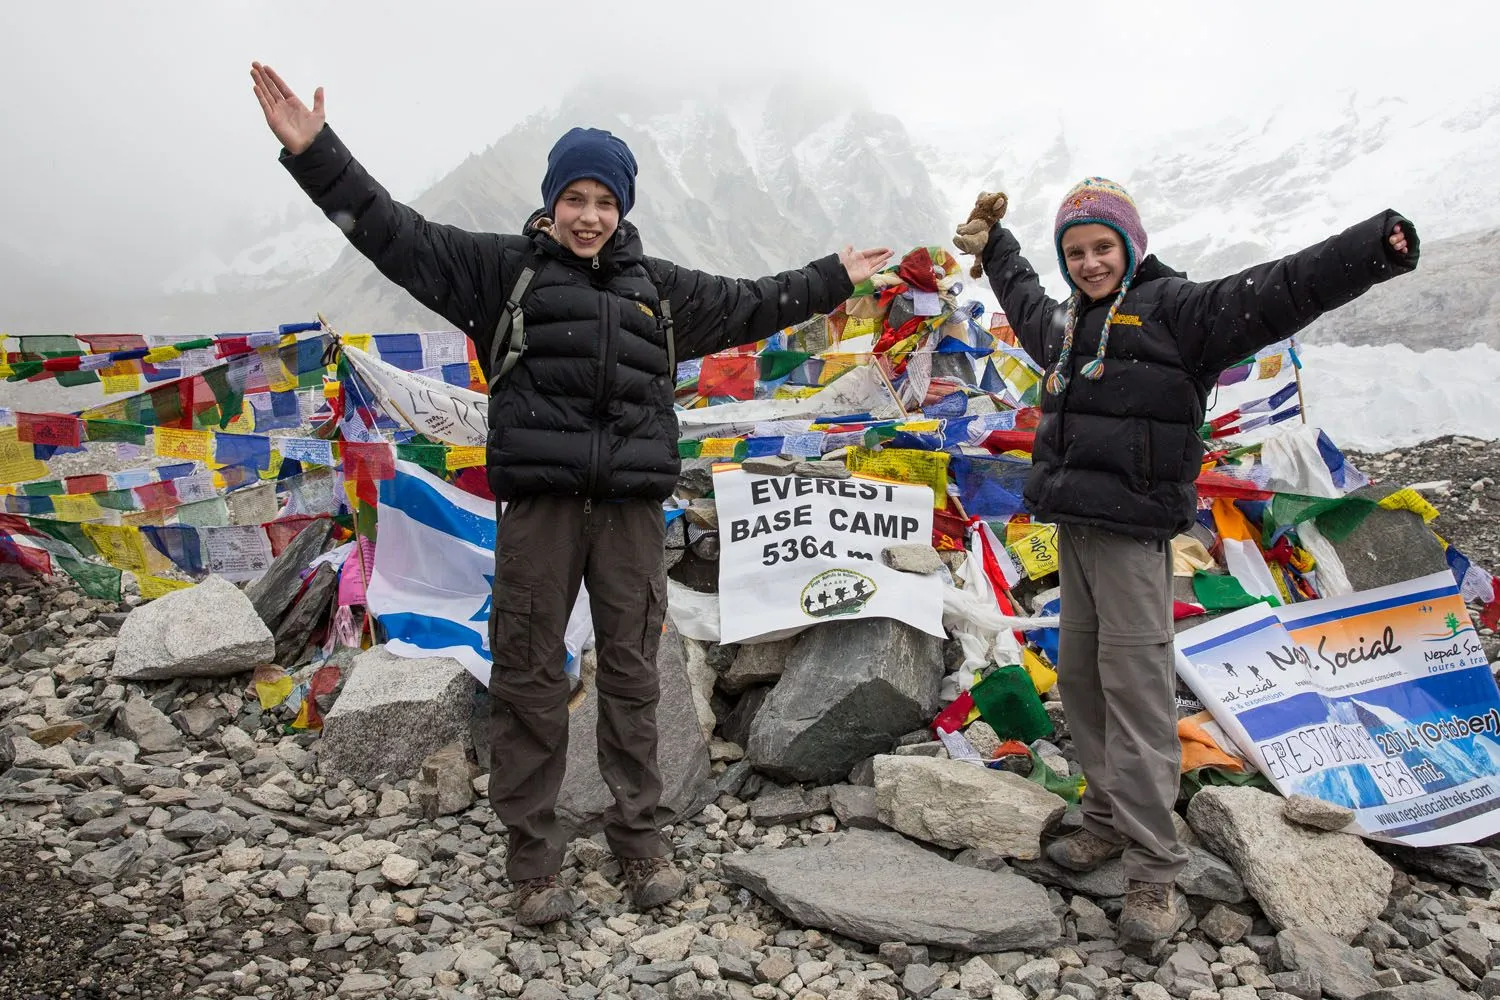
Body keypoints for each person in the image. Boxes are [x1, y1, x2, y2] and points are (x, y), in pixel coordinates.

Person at [250, 62, 891, 925]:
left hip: (629, 517)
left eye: (604, 201)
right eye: (574, 198)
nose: (589, 216)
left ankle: (640, 842)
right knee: (526, 674)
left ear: (623, 208)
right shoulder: (498, 274)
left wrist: (832, 276)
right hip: (542, 512)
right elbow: (394, 236)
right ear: (551, 202)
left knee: (632, 677)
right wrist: (317, 153)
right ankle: (534, 860)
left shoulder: (661, 290)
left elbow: (752, 305)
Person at [954, 177, 1417, 941]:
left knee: (1135, 694)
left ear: (1131, 244)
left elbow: (1281, 288)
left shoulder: (1183, 313)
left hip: (1137, 538)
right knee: (1082, 681)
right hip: (1075, 530)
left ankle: (1154, 870)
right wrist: (998, 245)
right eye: (1076, 252)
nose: (1089, 263)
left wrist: (1373, 247)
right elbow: (1028, 302)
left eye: (1103, 248)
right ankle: (1104, 816)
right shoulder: (1071, 323)